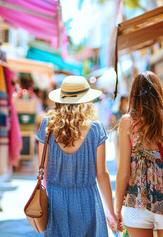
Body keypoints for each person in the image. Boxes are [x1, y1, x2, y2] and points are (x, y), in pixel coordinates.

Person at [35, 76, 118, 236]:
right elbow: (102, 174)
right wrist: (110, 212)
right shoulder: (95, 128)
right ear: (86, 100)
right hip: (87, 200)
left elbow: (42, 170)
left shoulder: (48, 125)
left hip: (55, 200)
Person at [114, 71, 163, 237]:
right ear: (159, 92)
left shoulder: (127, 122)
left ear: (133, 94)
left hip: (136, 204)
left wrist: (117, 208)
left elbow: (123, 172)